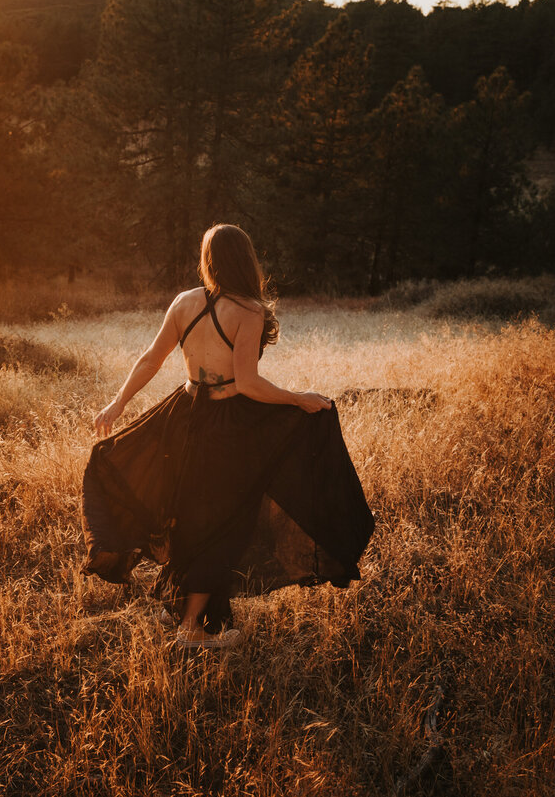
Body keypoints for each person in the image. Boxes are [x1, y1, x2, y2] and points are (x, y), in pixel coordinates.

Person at [81, 224, 375, 649]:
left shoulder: (184, 302)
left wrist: (117, 404)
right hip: (225, 423)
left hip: (183, 416)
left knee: (187, 515)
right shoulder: (249, 310)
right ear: (245, 259)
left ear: (208, 259)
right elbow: (250, 385)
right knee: (223, 524)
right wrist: (298, 399)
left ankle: (185, 612)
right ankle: (192, 629)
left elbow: (150, 359)